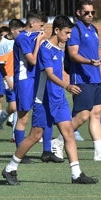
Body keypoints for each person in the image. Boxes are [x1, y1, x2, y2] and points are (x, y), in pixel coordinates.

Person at [1, 15, 98, 185]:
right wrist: (67, 86)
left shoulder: (60, 48)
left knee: (68, 133)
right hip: (44, 100)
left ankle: (76, 174)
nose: (69, 37)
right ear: (57, 30)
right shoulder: (45, 48)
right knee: (34, 135)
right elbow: (50, 74)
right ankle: (10, 167)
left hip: (58, 99)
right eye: (67, 33)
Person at [63, 0, 101, 161]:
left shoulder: (94, 29)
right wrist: (89, 62)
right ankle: (59, 142)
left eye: (92, 12)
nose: (90, 15)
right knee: (83, 115)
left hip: (95, 76)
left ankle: (99, 151)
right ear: (78, 13)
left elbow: (91, 53)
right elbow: (73, 55)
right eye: (86, 12)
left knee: (97, 113)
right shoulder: (75, 30)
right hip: (81, 77)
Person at [12, 10, 61, 164]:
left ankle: (47, 151)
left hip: (38, 80)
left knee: (46, 113)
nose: (42, 29)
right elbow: (32, 60)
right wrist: (40, 41)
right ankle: (21, 153)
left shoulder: (37, 36)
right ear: (32, 23)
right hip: (25, 80)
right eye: (40, 25)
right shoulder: (21, 38)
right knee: (23, 117)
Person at [0, 19, 24, 144]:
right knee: (14, 106)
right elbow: (0, 65)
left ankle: (15, 135)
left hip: (20, 76)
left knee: (19, 107)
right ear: (13, 30)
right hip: (9, 78)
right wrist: (7, 80)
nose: (21, 33)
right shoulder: (3, 44)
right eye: (20, 31)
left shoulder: (19, 40)